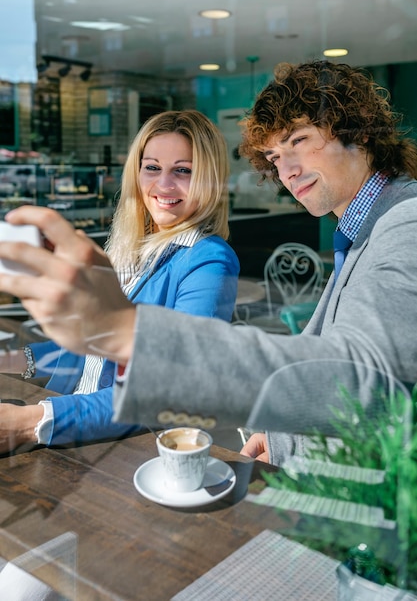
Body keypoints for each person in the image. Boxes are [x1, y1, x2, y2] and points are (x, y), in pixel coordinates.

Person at [1, 60, 417, 466]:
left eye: (299, 140)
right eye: (273, 157)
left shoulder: (406, 221)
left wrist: (123, 330)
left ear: (357, 129)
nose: (287, 170)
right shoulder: (360, 232)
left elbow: (362, 381)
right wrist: (281, 437)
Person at [0, 110, 239, 452]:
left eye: (183, 170)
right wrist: (9, 360)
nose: (164, 185)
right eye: (152, 167)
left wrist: (29, 423)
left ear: (210, 178)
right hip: (71, 423)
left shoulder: (209, 259)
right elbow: (90, 348)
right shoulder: (129, 246)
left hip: (117, 447)